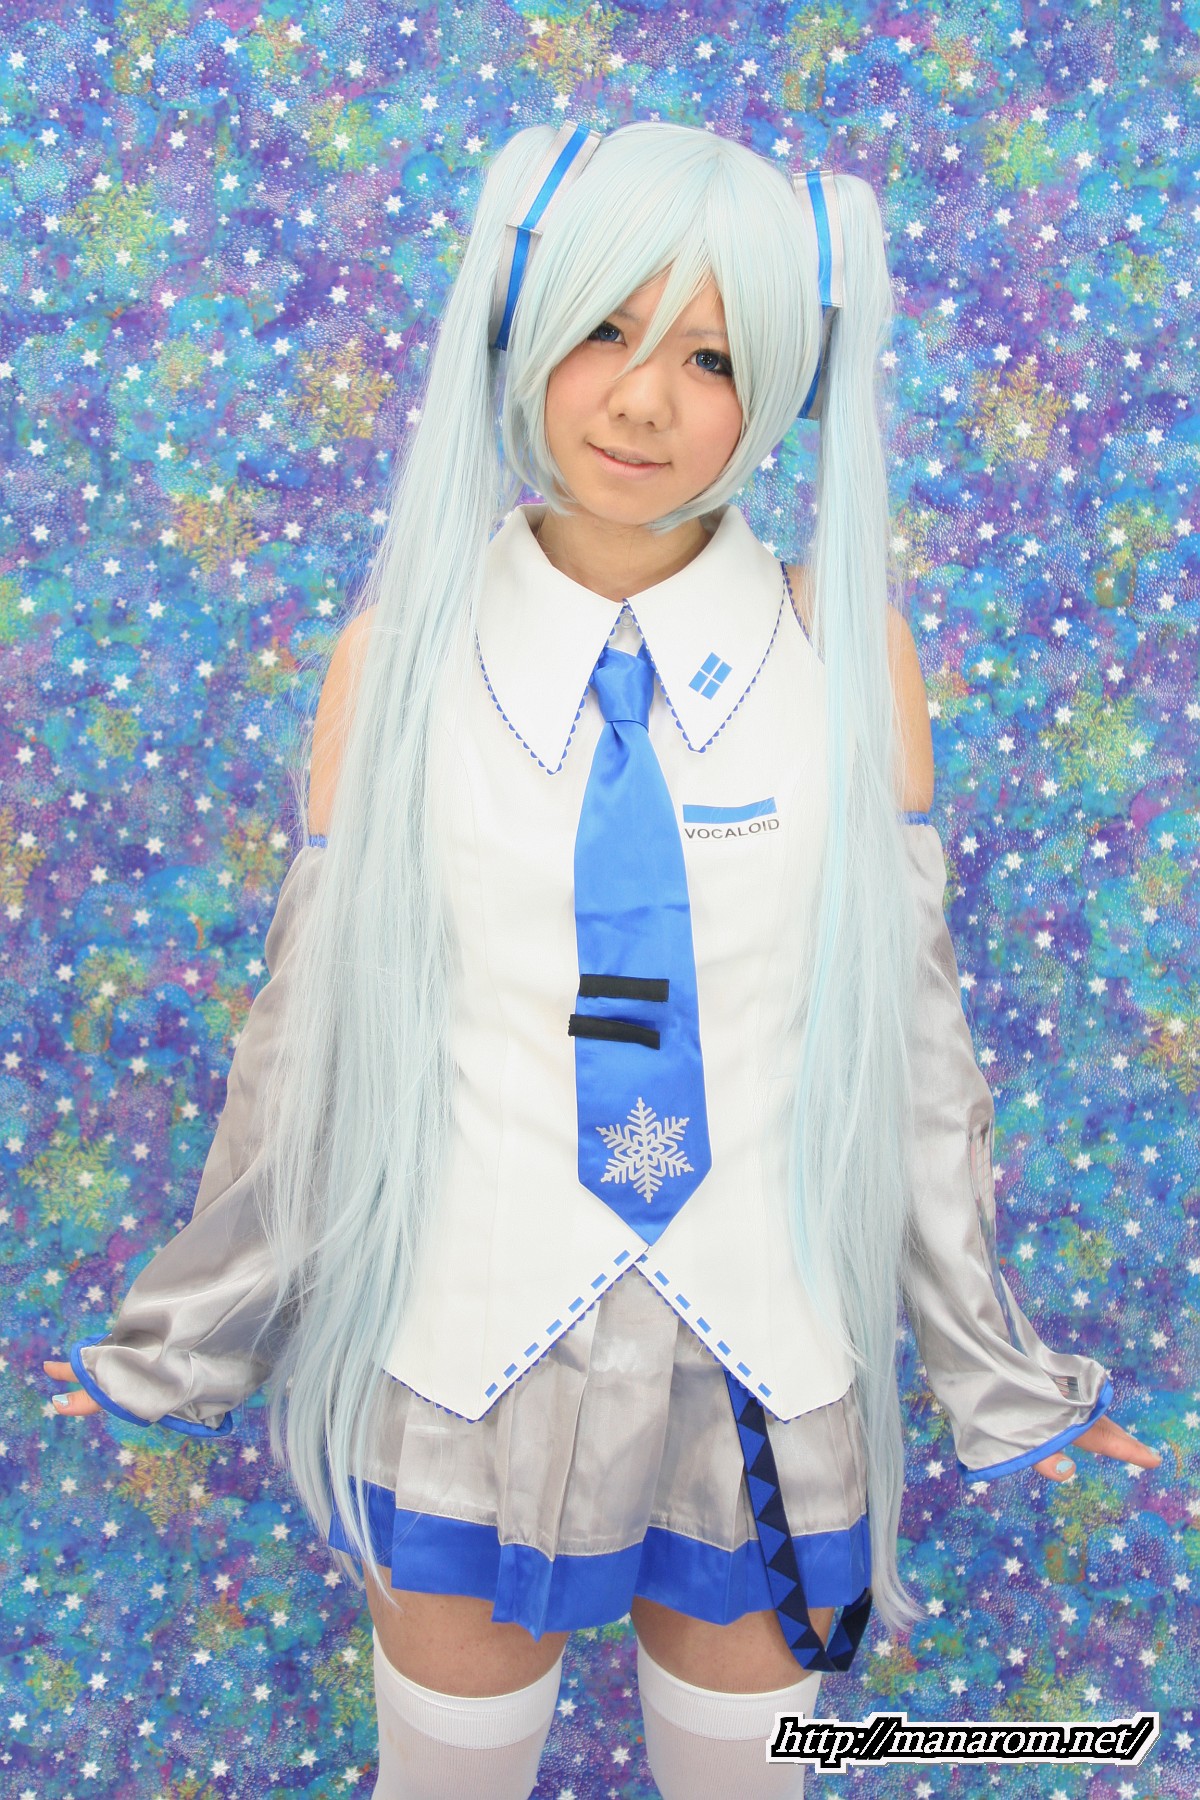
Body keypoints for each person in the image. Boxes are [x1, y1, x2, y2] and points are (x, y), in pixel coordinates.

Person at [44, 120, 1160, 1800]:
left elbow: (914, 1057)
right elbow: (310, 1049)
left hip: (764, 1364)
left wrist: (997, 1375)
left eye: (712, 357)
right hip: (469, 1349)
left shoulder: (843, 654)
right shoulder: (397, 663)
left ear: (783, 384)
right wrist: (185, 1339)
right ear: (519, 327)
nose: (644, 402)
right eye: (604, 329)